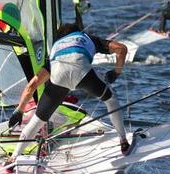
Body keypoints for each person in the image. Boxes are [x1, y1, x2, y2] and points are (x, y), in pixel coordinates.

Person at [8, 24, 133, 159]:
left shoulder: (55, 48)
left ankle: (12, 158)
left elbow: (31, 86)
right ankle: (123, 141)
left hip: (58, 75)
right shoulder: (85, 37)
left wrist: (19, 111)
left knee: (37, 120)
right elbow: (122, 49)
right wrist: (116, 72)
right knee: (111, 99)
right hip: (83, 74)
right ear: (77, 32)